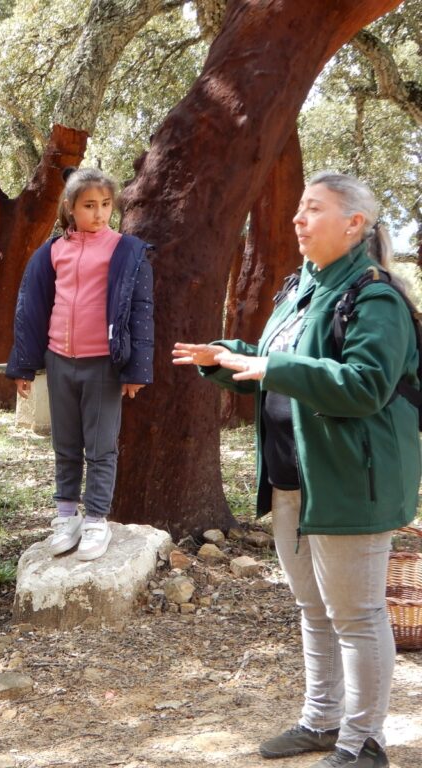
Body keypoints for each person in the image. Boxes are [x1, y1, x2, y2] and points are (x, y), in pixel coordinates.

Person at [173, 172, 419, 768]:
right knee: (314, 609)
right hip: (292, 478)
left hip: (349, 482)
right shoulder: (299, 288)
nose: (297, 219)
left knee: (356, 616)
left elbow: (364, 385)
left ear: (354, 224)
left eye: (313, 209)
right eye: (299, 209)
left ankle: (364, 743)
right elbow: (274, 362)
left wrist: (273, 367)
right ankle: (321, 721)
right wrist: (228, 358)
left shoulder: (376, 298)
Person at [6, 167, 154, 560]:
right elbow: (30, 308)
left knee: (101, 447)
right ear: (70, 207)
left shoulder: (127, 250)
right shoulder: (52, 251)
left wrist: (136, 370)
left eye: (105, 204)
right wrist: (23, 366)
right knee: (65, 444)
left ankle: (96, 520)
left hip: (103, 364)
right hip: (59, 362)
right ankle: (66, 516)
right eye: (89, 205)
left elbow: (142, 313)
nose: (99, 213)